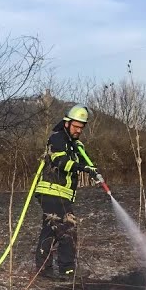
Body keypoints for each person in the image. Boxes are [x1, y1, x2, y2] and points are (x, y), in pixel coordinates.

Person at [32, 105, 100, 280]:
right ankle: (67, 270)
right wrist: (83, 168)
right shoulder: (57, 139)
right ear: (67, 123)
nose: (78, 130)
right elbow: (61, 162)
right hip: (52, 191)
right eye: (76, 126)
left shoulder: (74, 144)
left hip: (60, 193)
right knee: (68, 228)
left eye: (81, 127)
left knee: (50, 230)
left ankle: (43, 270)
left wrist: (90, 170)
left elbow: (77, 161)